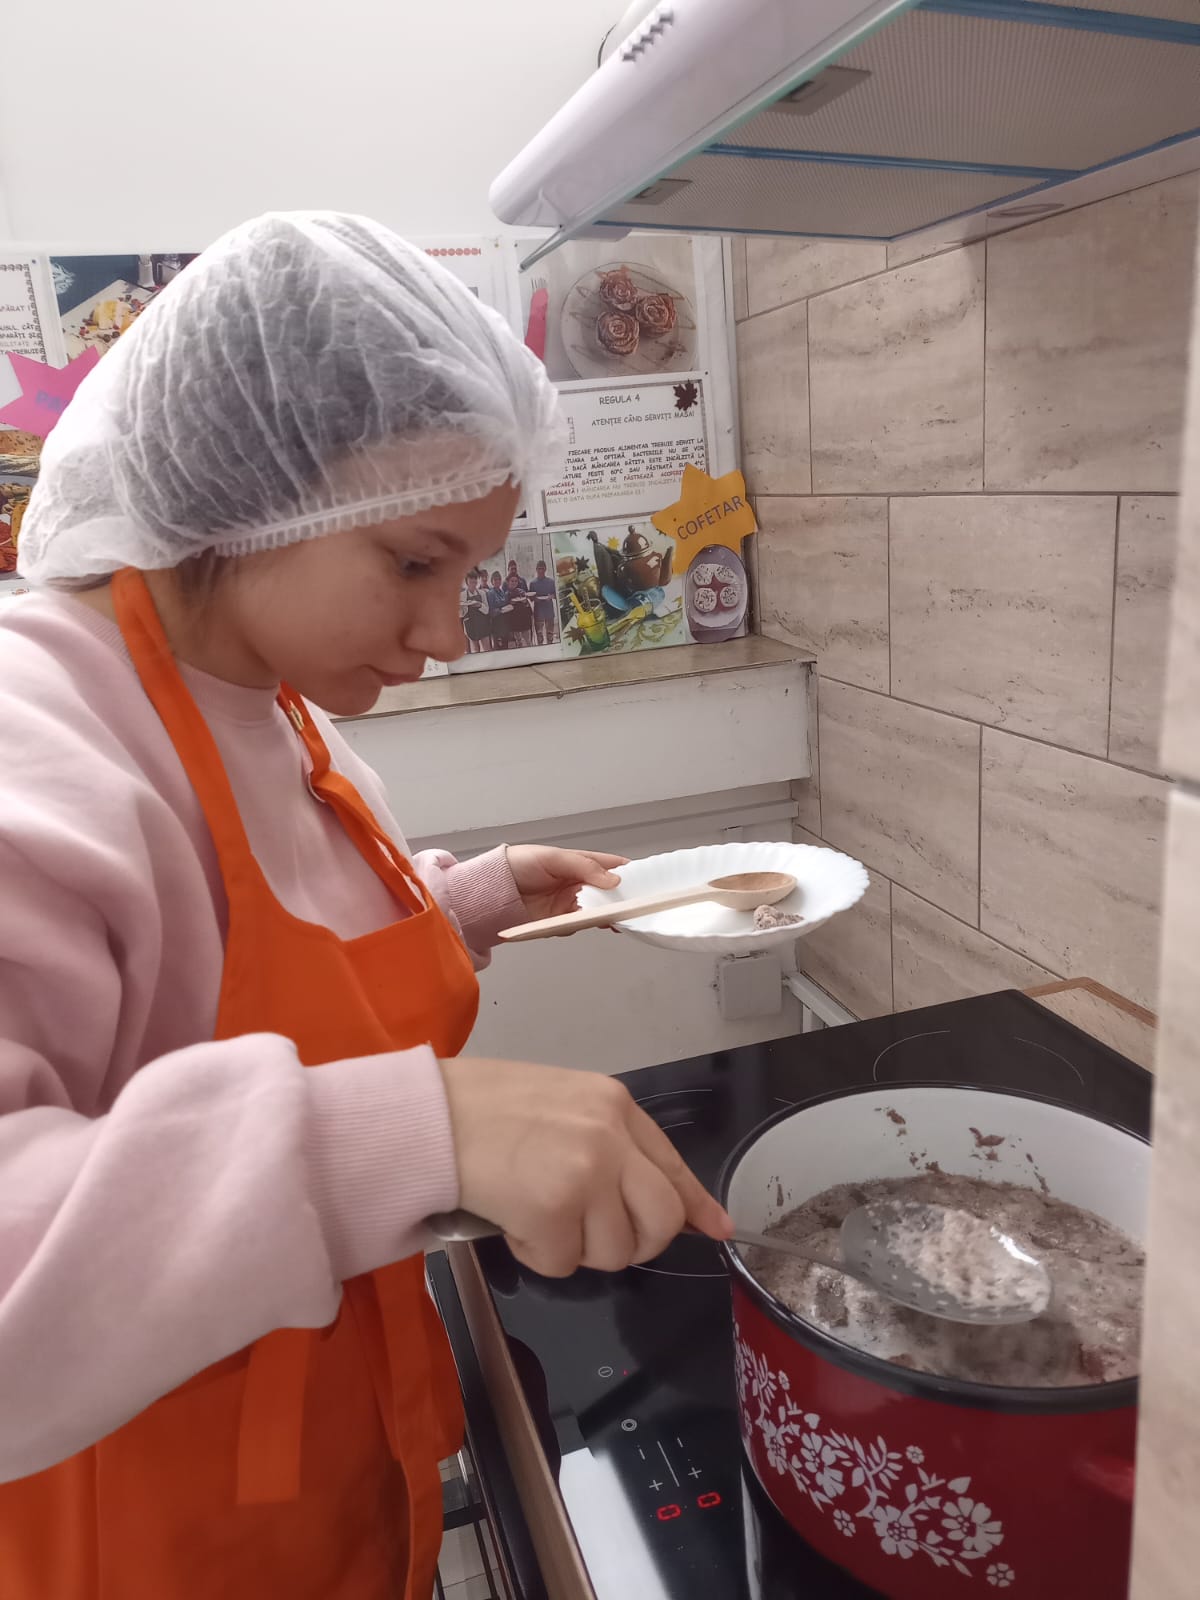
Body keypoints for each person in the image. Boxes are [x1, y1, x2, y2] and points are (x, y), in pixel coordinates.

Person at [0, 212, 731, 1600]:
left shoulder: (272, 705)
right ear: (251, 494)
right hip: (146, 1541)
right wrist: (413, 1132)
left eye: (468, 574)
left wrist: (462, 905)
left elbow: (231, 980)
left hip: (336, 1484)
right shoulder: (33, 745)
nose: (447, 634)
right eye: (413, 562)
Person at [530, 557, 558, 646]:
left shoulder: (551, 582)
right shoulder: (533, 583)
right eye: (539, 569)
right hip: (538, 612)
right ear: (536, 570)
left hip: (549, 611)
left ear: (545, 569)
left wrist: (552, 596)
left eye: (542, 569)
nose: (541, 571)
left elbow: (556, 595)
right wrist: (535, 598)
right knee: (539, 636)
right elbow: (531, 597)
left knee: (550, 635)